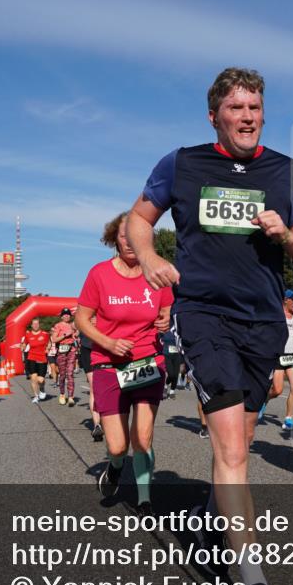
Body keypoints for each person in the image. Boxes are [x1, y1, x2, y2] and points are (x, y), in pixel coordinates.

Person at [127, 67, 293, 585]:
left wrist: (286, 233)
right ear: (214, 114)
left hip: (264, 321)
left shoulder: (286, 171)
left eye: (255, 108)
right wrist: (152, 257)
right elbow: (140, 217)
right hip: (204, 315)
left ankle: (215, 519)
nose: (248, 117)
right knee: (232, 446)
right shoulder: (182, 163)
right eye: (236, 108)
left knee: (244, 436)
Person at [77, 213, 173, 519]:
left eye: (136, 235)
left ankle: (144, 499)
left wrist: (166, 318)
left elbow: (167, 309)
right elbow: (82, 319)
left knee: (142, 439)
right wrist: (107, 342)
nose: (130, 241)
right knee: (118, 446)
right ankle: (115, 468)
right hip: (109, 365)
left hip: (148, 361)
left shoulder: (157, 272)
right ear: (113, 240)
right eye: (123, 236)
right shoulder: (99, 274)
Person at [262, 290, 293, 431]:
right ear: (286, 300)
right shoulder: (276, 315)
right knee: (277, 390)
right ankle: (264, 400)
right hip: (278, 356)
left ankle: (288, 419)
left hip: (292, 355)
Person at [77, 317, 103, 441]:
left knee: (108, 387)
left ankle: (110, 418)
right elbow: (74, 323)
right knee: (94, 387)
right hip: (88, 349)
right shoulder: (86, 308)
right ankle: (97, 424)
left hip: (105, 348)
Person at [50, 309, 78, 406]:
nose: (66, 316)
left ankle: (71, 397)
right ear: (61, 316)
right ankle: (62, 394)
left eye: (68, 315)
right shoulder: (58, 326)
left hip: (71, 350)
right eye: (65, 315)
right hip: (61, 351)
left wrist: (76, 335)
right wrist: (66, 334)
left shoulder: (72, 325)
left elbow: (75, 337)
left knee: (70, 373)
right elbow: (54, 339)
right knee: (62, 375)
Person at [22, 318, 50, 403]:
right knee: (33, 378)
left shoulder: (45, 334)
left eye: (37, 324)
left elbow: (49, 343)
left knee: (40, 380)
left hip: (42, 358)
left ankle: (42, 389)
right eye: (34, 324)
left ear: (39, 325)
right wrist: (22, 347)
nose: (35, 325)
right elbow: (24, 343)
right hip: (31, 358)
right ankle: (36, 396)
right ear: (31, 325)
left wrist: (48, 348)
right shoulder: (28, 335)